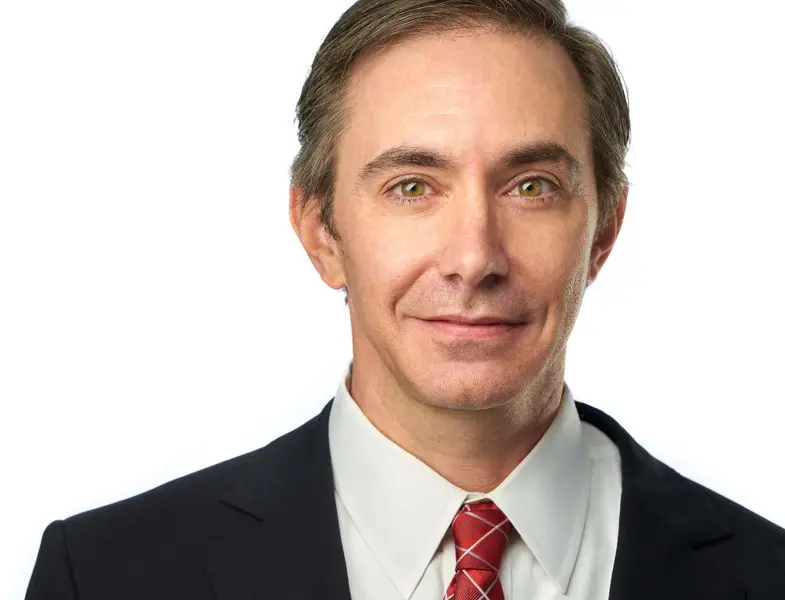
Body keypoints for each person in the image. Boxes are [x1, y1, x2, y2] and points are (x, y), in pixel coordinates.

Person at [25, 0, 785, 598]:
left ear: (604, 231)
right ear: (320, 232)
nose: (473, 258)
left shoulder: (766, 574)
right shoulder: (104, 577)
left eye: (531, 187)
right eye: (412, 187)